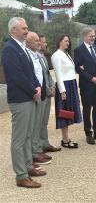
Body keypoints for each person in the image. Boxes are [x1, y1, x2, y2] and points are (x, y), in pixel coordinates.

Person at [2, 17, 44, 188]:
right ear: (13, 30)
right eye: (24, 28)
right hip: (20, 99)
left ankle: (28, 166)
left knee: (28, 134)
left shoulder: (22, 48)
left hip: (29, 96)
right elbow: (17, 75)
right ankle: (21, 175)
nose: (27, 31)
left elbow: (31, 72)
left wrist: (37, 85)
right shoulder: (9, 49)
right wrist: (33, 90)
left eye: (27, 28)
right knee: (19, 138)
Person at [74, 27, 96, 145]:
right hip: (87, 85)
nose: (93, 38)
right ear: (84, 36)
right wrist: (91, 78)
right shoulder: (79, 50)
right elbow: (78, 68)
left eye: (94, 36)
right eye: (91, 36)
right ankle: (88, 134)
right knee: (87, 109)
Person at [51, 34, 82, 148]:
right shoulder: (56, 55)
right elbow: (58, 73)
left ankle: (66, 137)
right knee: (65, 112)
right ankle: (65, 139)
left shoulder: (66, 54)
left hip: (71, 84)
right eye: (65, 41)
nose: (67, 43)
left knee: (70, 111)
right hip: (64, 86)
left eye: (68, 41)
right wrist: (62, 91)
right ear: (59, 41)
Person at [26, 32, 52, 166]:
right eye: (37, 41)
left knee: (40, 123)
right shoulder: (28, 56)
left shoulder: (37, 56)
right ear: (28, 42)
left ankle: (38, 150)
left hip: (42, 92)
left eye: (39, 41)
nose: (41, 43)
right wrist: (35, 88)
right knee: (34, 126)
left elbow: (44, 73)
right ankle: (34, 153)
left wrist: (49, 86)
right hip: (34, 94)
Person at [39, 34, 61, 152]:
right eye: (43, 42)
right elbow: (39, 78)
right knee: (39, 122)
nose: (45, 44)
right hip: (42, 94)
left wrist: (53, 86)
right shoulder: (36, 58)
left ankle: (45, 144)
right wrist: (49, 89)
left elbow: (48, 74)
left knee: (44, 122)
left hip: (48, 93)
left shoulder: (43, 57)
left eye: (45, 42)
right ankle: (39, 147)